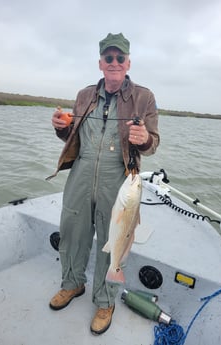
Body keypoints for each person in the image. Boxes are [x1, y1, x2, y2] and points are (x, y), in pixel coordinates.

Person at [49, 32, 160, 335]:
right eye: (108, 58)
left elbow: (153, 142)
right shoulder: (85, 95)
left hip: (119, 177)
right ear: (100, 63)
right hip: (81, 173)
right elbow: (73, 136)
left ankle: (105, 300)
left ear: (128, 62)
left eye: (119, 58)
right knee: (72, 233)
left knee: (114, 241)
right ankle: (72, 285)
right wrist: (62, 127)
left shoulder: (144, 97)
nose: (114, 63)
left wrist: (145, 138)